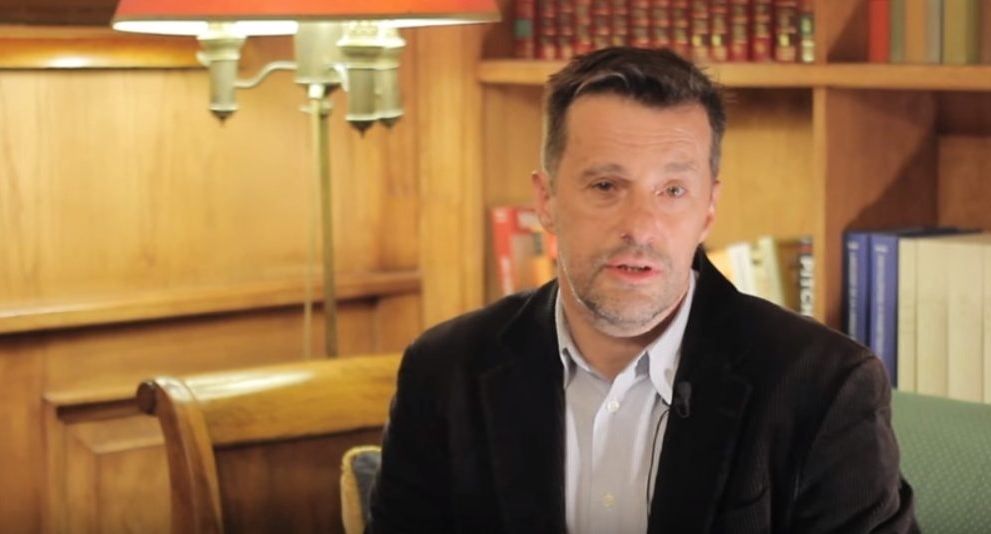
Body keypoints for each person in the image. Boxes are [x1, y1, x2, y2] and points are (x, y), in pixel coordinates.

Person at [368, 47, 916, 533]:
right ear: (546, 201)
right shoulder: (445, 371)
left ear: (708, 210)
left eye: (672, 190)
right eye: (606, 186)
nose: (640, 226)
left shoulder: (823, 386)